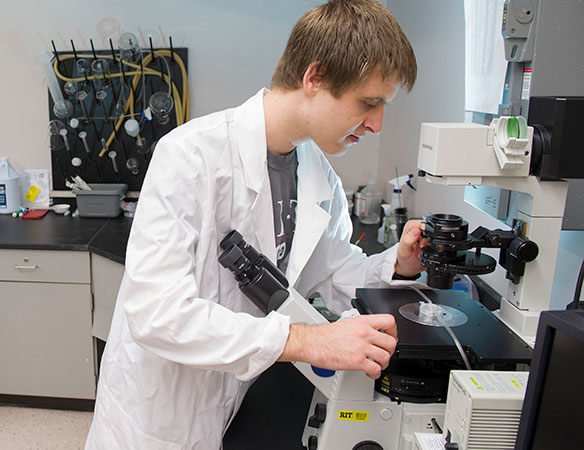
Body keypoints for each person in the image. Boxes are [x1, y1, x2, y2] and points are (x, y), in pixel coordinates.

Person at [87, 1, 425, 448]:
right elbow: (157, 314)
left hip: (233, 400)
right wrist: (307, 340)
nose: (379, 124)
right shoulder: (189, 156)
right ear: (315, 77)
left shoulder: (317, 173)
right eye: (370, 102)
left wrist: (399, 265)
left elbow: (335, 271)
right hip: (159, 411)